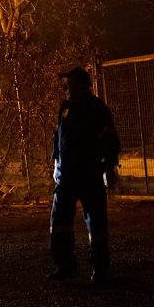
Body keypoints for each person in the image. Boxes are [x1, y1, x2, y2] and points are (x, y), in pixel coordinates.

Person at [49, 66, 120, 283]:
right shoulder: (65, 107)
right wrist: (55, 164)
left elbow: (110, 139)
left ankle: (100, 269)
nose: (65, 88)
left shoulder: (97, 108)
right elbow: (58, 138)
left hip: (89, 174)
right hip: (66, 176)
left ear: (81, 85)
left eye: (68, 83)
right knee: (59, 221)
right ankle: (65, 266)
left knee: (96, 222)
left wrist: (109, 167)